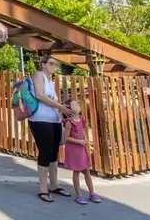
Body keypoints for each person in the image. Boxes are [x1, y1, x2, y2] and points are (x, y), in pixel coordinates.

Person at [29, 53, 74, 203]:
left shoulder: (50, 80)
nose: (54, 66)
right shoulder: (38, 75)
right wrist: (60, 106)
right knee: (45, 151)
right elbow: (40, 96)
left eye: (55, 64)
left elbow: (52, 100)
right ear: (43, 64)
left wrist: (62, 110)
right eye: (51, 63)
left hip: (54, 120)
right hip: (40, 120)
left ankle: (54, 185)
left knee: (54, 152)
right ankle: (42, 188)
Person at [63, 99, 101, 205]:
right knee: (77, 171)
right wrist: (79, 141)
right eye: (74, 104)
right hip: (74, 150)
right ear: (69, 109)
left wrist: (85, 139)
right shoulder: (69, 123)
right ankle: (79, 195)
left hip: (81, 149)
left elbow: (83, 131)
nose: (77, 105)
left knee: (87, 171)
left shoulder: (81, 119)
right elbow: (66, 138)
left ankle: (92, 193)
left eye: (77, 103)